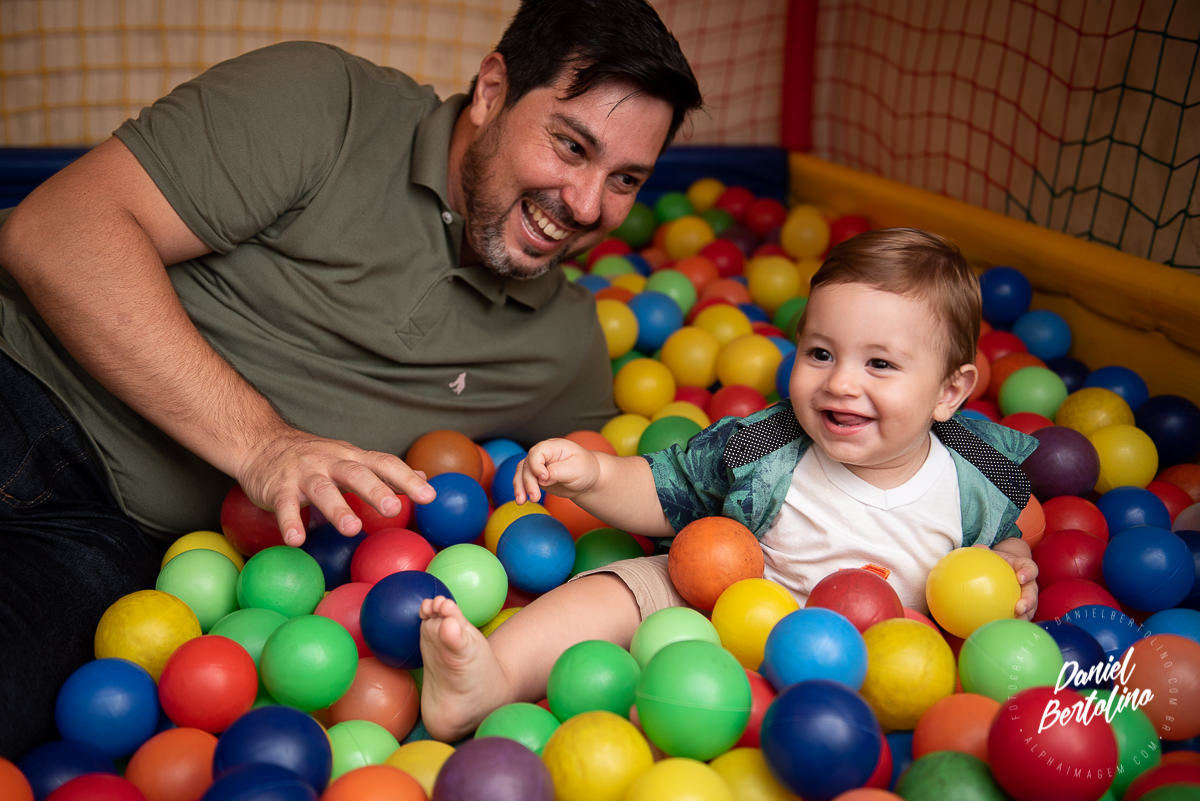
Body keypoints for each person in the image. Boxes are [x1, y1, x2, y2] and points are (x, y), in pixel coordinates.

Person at [0, 0, 701, 757]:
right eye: (570, 146)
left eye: (625, 179)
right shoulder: (323, 104)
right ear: (492, 89)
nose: (588, 205)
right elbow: (55, 230)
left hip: (111, 539)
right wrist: (265, 445)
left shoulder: (563, 348)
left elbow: (634, 504)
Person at [419, 227, 1042, 741]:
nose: (841, 383)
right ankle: (490, 680)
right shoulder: (764, 446)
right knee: (627, 587)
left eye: (879, 364)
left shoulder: (979, 474)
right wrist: (594, 475)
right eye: (821, 353)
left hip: (881, 668)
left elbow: (1004, 538)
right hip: (717, 610)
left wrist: (1013, 568)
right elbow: (668, 490)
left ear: (949, 392)